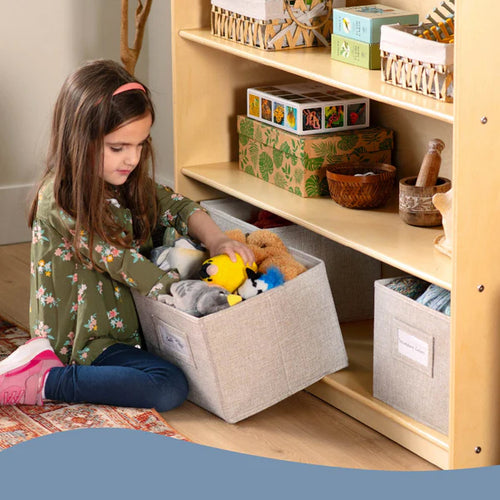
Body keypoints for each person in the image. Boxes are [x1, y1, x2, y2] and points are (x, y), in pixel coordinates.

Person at [0, 59, 254, 411]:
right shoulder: (58, 200)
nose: (132, 159)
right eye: (118, 148)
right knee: (168, 386)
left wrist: (217, 240)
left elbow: (178, 205)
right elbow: (118, 258)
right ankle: (45, 380)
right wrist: (178, 291)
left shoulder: (125, 182)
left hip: (128, 333)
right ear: (80, 140)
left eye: (140, 145)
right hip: (82, 344)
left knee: (197, 371)